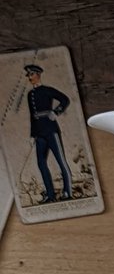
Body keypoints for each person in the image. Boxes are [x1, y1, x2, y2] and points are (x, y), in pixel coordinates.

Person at [25, 63, 72, 204]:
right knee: (41, 163)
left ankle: (67, 192)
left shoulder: (47, 90)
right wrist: (33, 135)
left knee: (61, 161)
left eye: (31, 74)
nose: (29, 77)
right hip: (39, 133)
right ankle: (50, 195)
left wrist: (56, 112)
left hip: (51, 130)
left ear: (38, 74)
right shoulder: (30, 94)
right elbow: (32, 115)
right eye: (28, 75)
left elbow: (65, 99)